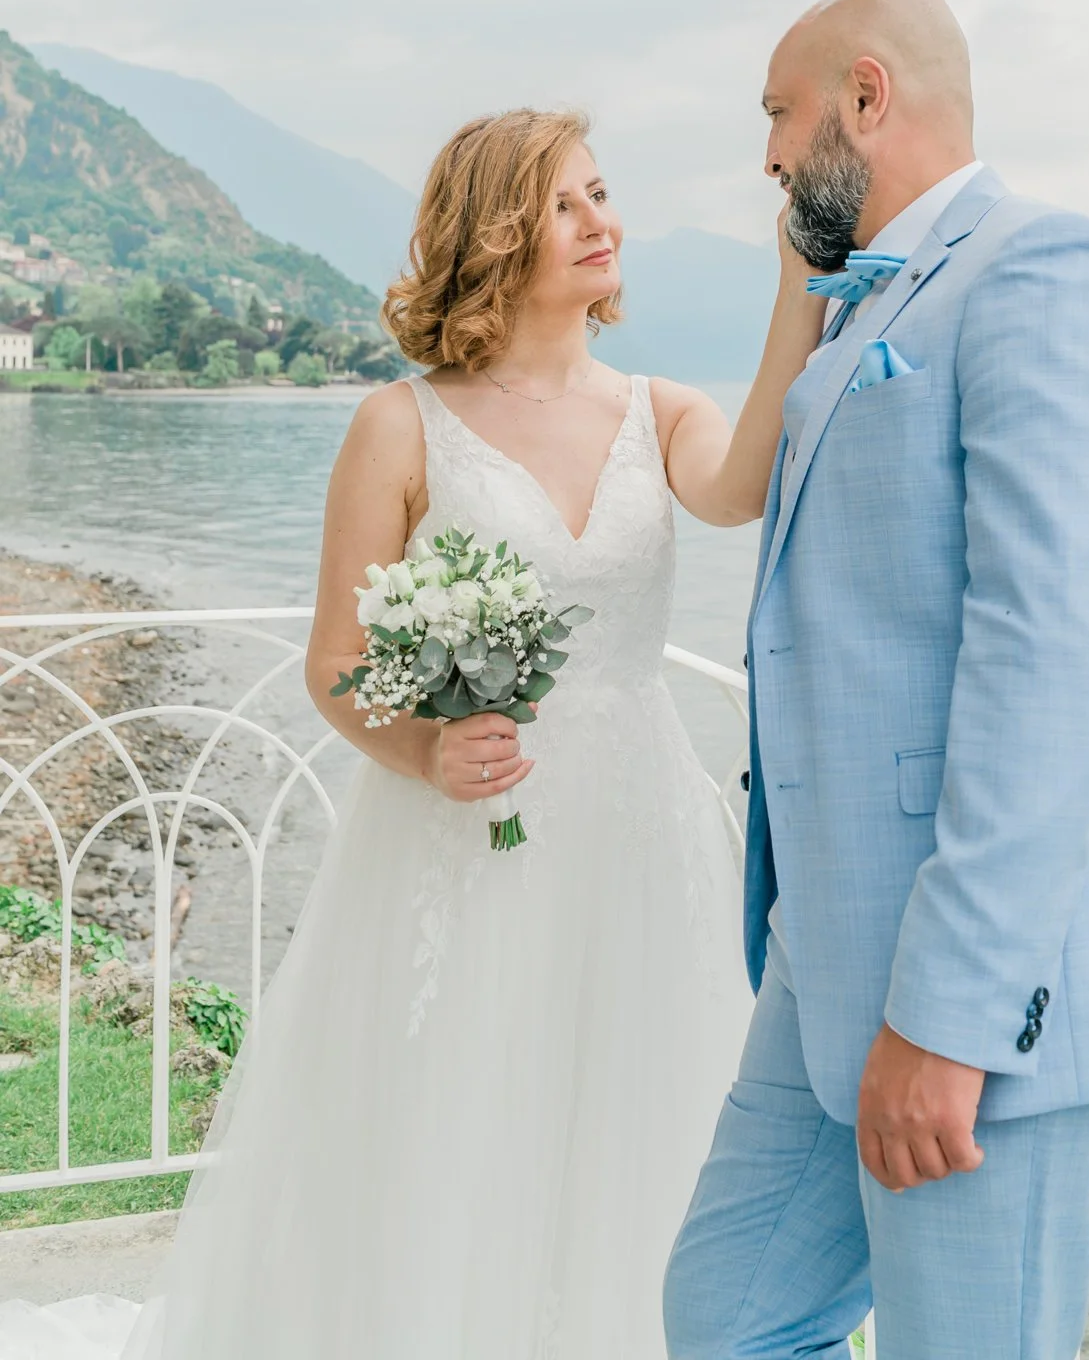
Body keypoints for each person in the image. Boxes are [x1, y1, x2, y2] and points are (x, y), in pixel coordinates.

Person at [89, 107, 820, 1360]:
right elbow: (335, 668)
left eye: (604, 194)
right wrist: (425, 748)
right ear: (496, 233)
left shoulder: (661, 410)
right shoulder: (400, 425)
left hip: (640, 832)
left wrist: (802, 268)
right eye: (567, 204)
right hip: (468, 838)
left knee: (633, 1125)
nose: (605, 223)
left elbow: (745, 485)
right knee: (458, 1127)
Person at [664, 0, 1089, 1360]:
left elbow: (1055, 656)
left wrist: (953, 1019)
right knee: (724, 1312)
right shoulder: (854, 308)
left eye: (779, 117)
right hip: (829, 947)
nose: (767, 158)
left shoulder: (1042, 271)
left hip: (972, 991)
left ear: (867, 97)